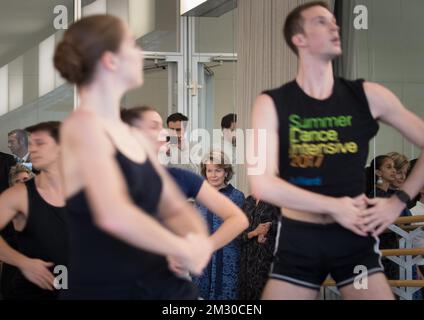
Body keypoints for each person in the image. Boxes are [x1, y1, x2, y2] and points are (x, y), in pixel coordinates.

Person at [248, 1, 424, 300]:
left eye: (334, 22)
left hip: (352, 239)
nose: (335, 27)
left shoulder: (368, 95)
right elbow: (262, 183)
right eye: (321, 22)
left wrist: (398, 201)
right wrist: (334, 206)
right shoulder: (272, 103)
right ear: (299, 39)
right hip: (299, 238)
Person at [54, 14, 212, 299]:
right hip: (111, 289)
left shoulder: (136, 137)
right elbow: (114, 214)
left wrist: (196, 238)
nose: (140, 53)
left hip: (162, 287)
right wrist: (180, 247)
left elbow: (174, 207)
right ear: (110, 60)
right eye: (132, 45)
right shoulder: (82, 127)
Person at [121, 106, 248, 280]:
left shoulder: (184, 174)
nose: (167, 133)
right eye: (153, 126)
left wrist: (200, 248)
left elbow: (238, 220)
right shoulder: (118, 178)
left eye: (163, 127)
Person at [0, 122, 68, 300]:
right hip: (33, 293)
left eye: (41, 143)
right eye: (31, 144)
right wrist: (23, 263)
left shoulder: (85, 192)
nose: (33, 149)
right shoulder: (18, 194)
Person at [194, 151, 245, 300]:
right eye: (209, 170)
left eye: (218, 170)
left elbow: (241, 229)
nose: (213, 175)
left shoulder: (237, 196)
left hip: (229, 258)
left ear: (226, 172)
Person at [238, 196, 280, 300]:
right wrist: (254, 233)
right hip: (246, 260)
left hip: (265, 260)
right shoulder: (248, 201)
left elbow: (285, 225)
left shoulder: (276, 200)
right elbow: (237, 232)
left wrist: (268, 227)